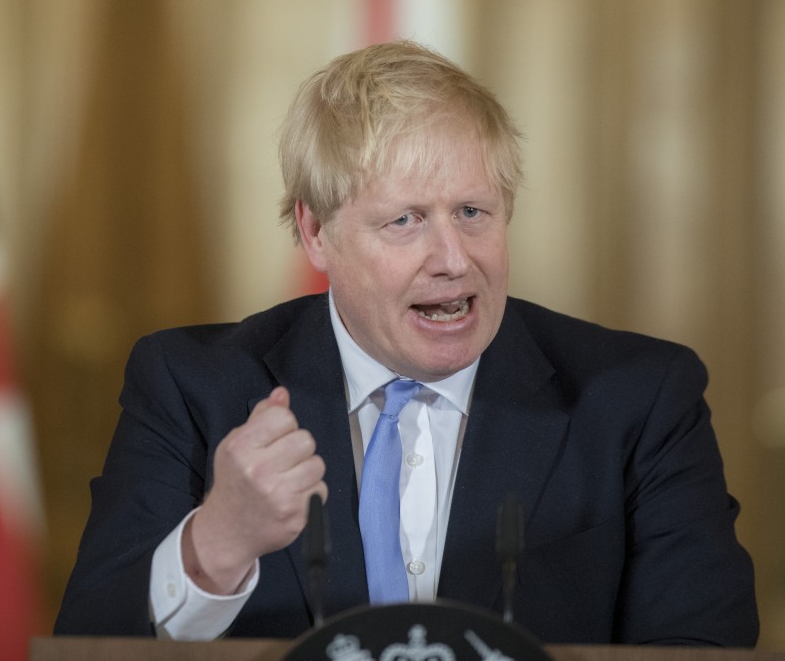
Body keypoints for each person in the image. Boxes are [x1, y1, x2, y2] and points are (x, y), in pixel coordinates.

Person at [54, 40, 759, 645]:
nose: (453, 259)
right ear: (316, 232)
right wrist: (216, 545)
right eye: (405, 221)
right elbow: (89, 643)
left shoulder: (639, 400)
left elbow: (702, 648)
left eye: (473, 212)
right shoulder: (192, 386)